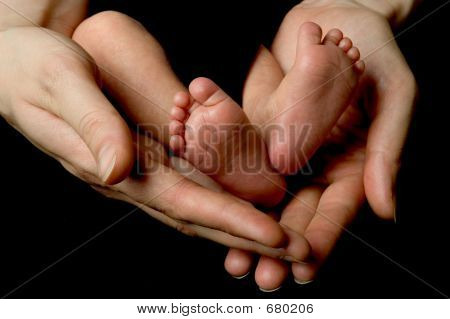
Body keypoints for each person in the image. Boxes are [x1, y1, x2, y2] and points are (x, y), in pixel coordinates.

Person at [0, 0, 418, 291]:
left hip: (108, 21)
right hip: (238, 26)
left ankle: (244, 150)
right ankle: (274, 129)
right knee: (253, 62)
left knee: (104, 34)